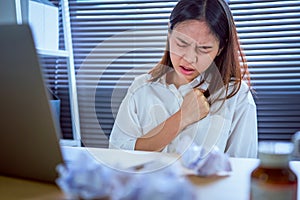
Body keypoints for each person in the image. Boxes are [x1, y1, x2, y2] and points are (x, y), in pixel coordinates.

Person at [109, 0, 258, 158]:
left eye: (204, 48)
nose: (189, 58)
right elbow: (117, 155)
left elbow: (241, 170)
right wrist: (183, 117)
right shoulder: (141, 87)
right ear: (169, 34)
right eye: (182, 43)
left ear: (221, 48)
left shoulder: (237, 97)